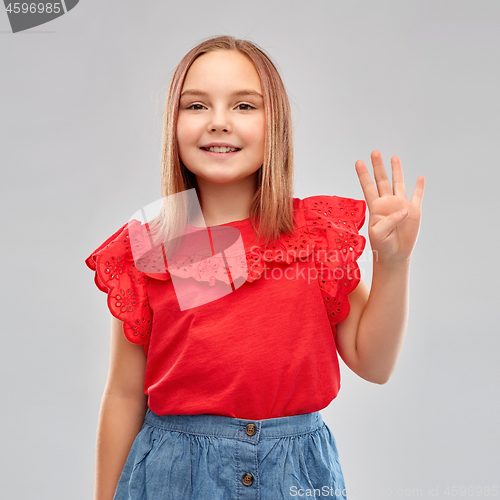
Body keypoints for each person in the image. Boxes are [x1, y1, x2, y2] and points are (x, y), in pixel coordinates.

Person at [85, 35, 425, 500]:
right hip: (174, 478)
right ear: (173, 122)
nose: (219, 122)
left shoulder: (313, 236)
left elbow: (375, 362)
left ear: (276, 125)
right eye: (196, 105)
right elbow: (124, 394)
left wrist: (394, 262)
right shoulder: (153, 243)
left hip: (296, 476)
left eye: (244, 106)